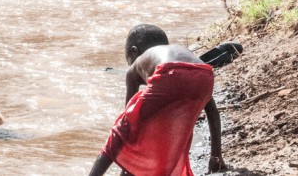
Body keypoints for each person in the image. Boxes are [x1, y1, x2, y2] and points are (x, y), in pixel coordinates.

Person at [89, 24, 224, 175]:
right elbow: (212, 112)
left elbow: (131, 123)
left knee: (121, 131)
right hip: (204, 75)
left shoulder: (137, 64)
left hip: (170, 75)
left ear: (134, 51)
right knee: (168, 132)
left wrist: (127, 164)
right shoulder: (176, 51)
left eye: (129, 60)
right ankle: (216, 162)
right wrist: (216, 156)